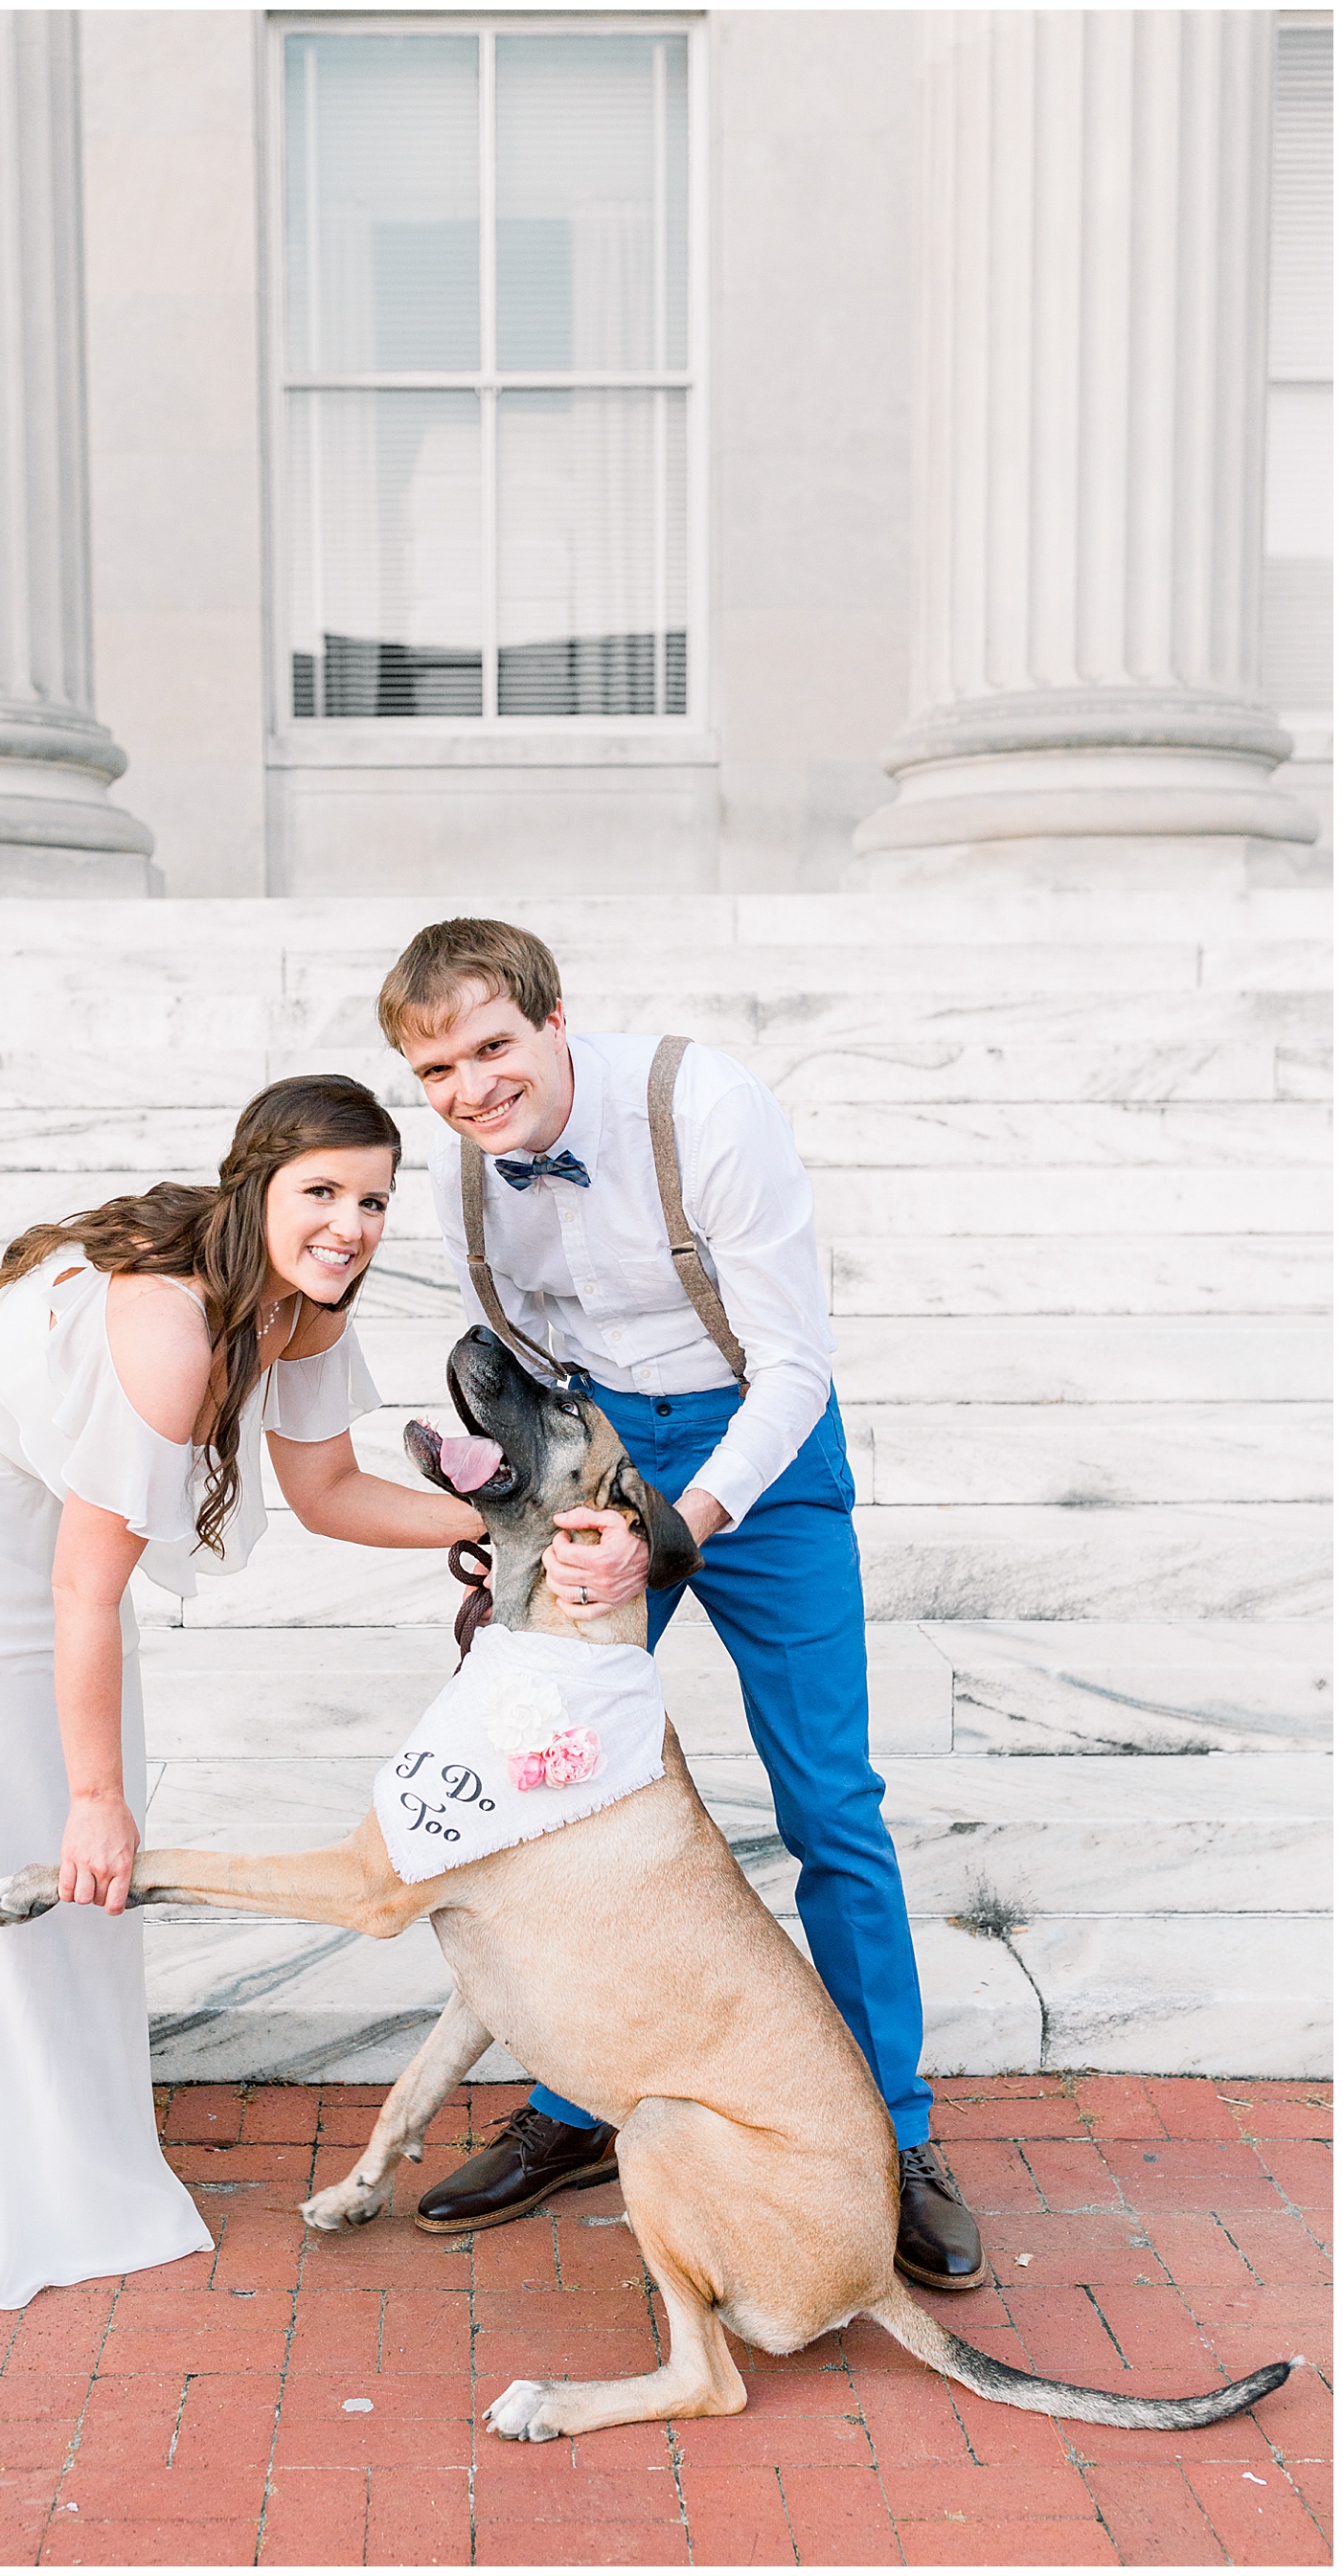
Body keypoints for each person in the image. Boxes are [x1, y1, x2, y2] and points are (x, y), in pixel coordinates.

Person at [0, 1075, 483, 2324]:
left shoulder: (305, 1308)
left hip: (55, 1553)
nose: (351, 1222)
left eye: (375, 1198)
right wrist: (97, 1796)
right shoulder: (176, 1325)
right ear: (258, 1185)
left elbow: (332, 1490)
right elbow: (84, 1583)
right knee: (10, 1830)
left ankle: (43, 2151)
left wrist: (507, 1524)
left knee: (61, 1855)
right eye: (322, 1191)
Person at [375, 920, 985, 2293]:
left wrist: (673, 1530)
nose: (472, 1087)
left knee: (830, 1799)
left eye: (491, 1045)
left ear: (552, 1019)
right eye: (437, 1070)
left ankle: (898, 2134)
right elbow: (535, 1363)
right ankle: (582, 2104)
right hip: (605, 1456)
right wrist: (545, 1526)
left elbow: (793, 1367)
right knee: (558, 1795)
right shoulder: (467, 1184)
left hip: (758, 1457)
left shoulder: (705, 1108)